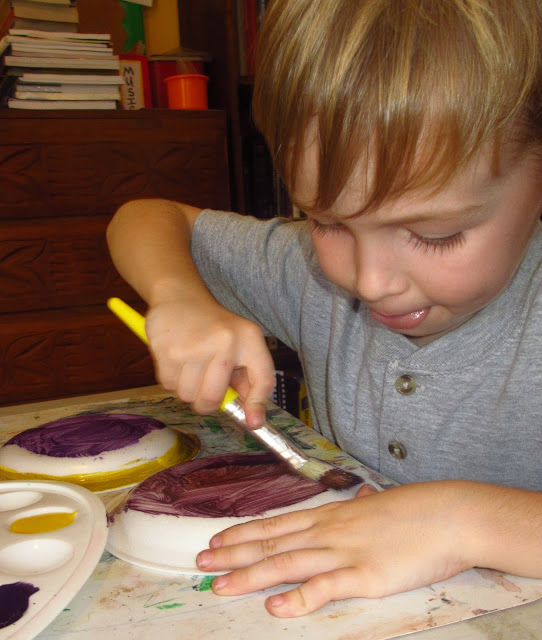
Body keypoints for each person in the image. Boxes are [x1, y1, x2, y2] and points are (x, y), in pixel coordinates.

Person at [107, 0, 542, 618]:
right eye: (327, 222)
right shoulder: (309, 277)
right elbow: (144, 218)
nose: (370, 282)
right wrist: (181, 296)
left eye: (436, 234)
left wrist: (460, 521)